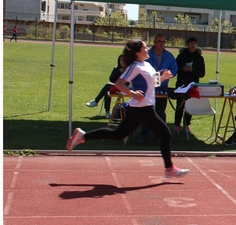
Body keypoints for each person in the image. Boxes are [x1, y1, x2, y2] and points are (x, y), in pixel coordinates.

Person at [66, 39, 189, 179]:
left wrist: (163, 77)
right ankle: (169, 168)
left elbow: (152, 83)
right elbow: (119, 83)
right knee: (165, 134)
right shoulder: (134, 66)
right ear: (137, 52)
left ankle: (83, 136)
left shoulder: (147, 65)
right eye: (144, 47)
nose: (148, 48)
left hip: (139, 108)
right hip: (143, 109)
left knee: (118, 134)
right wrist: (132, 93)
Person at [138, 33, 177, 144]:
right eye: (158, 41)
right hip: (147, 87)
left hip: (162, 86)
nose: (160, 44)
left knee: (160, 112)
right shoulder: (146, 54)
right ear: (154, 42)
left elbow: (174, 69)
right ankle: (144, 136)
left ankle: (159, 136)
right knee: (146, 112)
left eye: (162, 42)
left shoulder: (169, 56)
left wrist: (168, 74)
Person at [172, 37, 206, 135]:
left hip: (193, 86)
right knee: (179, 106)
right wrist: (183, 69)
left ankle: (186, 125)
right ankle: (176, 125)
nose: (193, 45)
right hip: (181, 85)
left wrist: (192, 70)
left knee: (190, 106)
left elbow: (202, 73)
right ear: (187, 44)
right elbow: (175, 69)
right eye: (191, 43)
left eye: (195, 43)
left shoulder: (199, 58)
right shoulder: (181, 56)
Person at [86, 54, 125, 119]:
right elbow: (111, 79)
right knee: (107, 90)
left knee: (107, 85)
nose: (122, 61)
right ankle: (107, 112)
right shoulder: (117, 68)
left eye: (124, 60)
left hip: (126, 89)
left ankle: (96, 101)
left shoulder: (129, 69)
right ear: (119, 61)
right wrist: (118, 71)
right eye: (121, 60)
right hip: (116, 88)